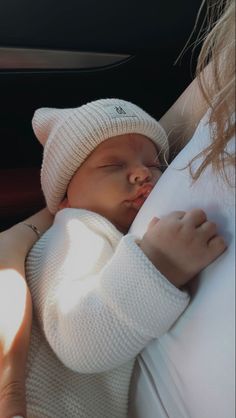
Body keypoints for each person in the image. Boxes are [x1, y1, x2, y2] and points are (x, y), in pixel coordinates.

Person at [0, 0, 235, 416]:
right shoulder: (75, 234)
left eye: (155, 163)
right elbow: (81, 341)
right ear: (65, 199)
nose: (143, 175)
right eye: (113, 165)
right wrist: (159, 263)